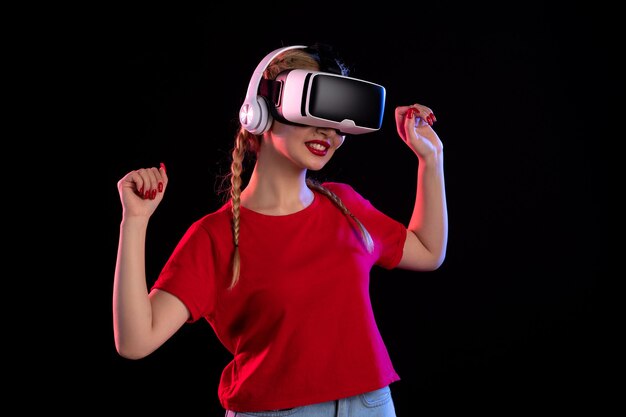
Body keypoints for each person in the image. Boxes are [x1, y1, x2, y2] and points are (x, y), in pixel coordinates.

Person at [113, 43, 448, 416]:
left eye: (338, 122)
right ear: (259, 112)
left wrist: (431, 159)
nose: (330, 133)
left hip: (372, 403)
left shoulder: (345, 205)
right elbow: (135, 341)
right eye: (314, 111)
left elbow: (428, 251)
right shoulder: (216, 235)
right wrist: (136, 221)